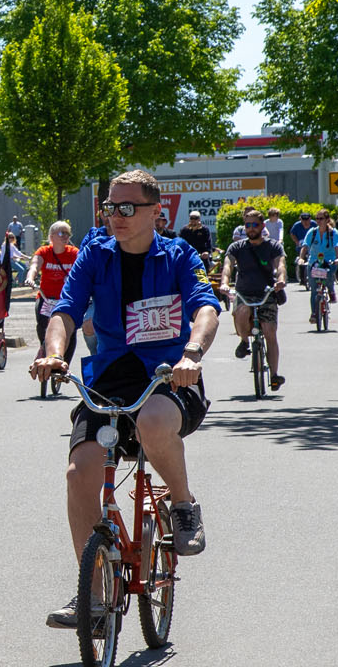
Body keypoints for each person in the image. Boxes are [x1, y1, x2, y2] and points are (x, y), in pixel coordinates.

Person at [31, 168, 221, 629]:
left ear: (156, 212)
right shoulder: (95, 253)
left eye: (127, 207)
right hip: (111, 377)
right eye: (111, 207)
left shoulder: (179, 254)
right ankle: (92, 597)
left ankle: (182, 504)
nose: (116, 216)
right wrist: (53, 353)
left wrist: (193, 353)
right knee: (79, 474)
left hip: (169, 377)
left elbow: (205, 306)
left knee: (154, 422)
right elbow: (66, 310)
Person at [219, 207, 288, 389]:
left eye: (254, 225)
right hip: (244, 293)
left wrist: (281, 280)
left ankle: (274, 375)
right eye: (247, 225)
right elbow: (228, 266)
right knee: (241, 311)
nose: (251, 229)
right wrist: (225, 283)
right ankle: (244, 341)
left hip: (266, 293)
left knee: (269, 331)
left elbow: (281, 265)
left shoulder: (273, 246)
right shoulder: (237, 247)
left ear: (261, 226)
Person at [25, 220, 80, 369]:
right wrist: (30, 278)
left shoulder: (74, 253)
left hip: (66, 299)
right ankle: (46, 348)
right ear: (51, 236)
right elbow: (35, 265)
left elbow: (82, 270)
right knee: (42, 325)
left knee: (70, 331)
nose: (65, 236)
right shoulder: (44, 252)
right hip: (46, 298)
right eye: (61, 233)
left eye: (67, 234)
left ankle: (63, 365)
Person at [300, 209, 338, 322]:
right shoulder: (312, 232)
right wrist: (301, 258)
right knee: (314, 290)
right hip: (314, 262)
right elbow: (305, 246)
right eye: (317, 219)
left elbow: (337, 246)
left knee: (329, 276)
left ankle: (331, 290)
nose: (318, 221)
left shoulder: (333, 233)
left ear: (327, 220)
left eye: (321, 219)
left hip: (329, 261)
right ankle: (314, 314)